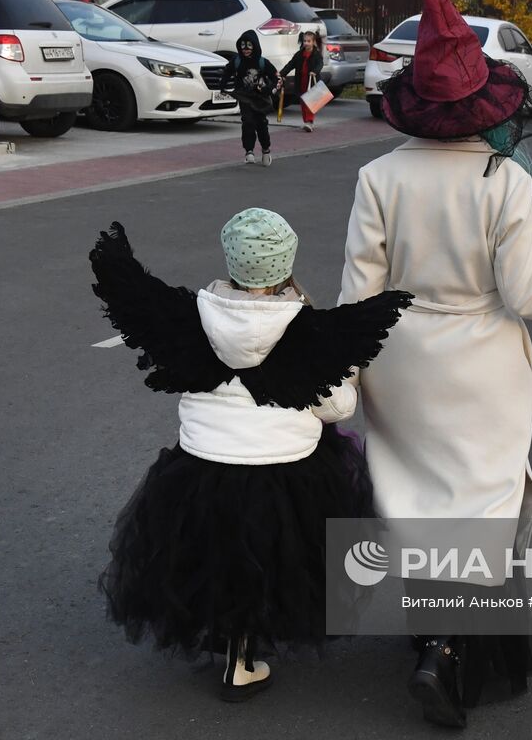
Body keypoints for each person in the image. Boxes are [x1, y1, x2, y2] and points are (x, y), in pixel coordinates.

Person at [338, 0, 532, 728]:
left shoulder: (377, 177)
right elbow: (530, 293)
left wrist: (336, 377)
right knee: (480, 509)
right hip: (480, 363)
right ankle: (446, 650)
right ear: (483, 101)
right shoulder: (503, 178)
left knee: (415, 500)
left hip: (399, 360)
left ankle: (427, 634)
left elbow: (355, 297)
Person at [91, 213, 412, 702]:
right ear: (286, 262)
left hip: (202, 467)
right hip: (288, 471)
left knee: (214, 547)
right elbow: (338, 406)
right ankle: (243, 657)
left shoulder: (191, 316)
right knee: (279, 546)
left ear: (232, 260)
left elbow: (136, 296)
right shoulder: (309, 330)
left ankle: (231, 642)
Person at [221, 30, 281, 166]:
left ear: (255, 46)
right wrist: (222, 85)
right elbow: (227, 71)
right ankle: (249, 151)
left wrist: (268, 89)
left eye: (249, 46)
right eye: (243, 46)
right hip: (244, 96)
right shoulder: (237, 61)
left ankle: (266, 149)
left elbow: (276, 78)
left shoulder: (262, 62)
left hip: (260, 98)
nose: (246, 49)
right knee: (247, 121)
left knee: (261, 123)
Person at [280, 31, 325, 132]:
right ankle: (306, 121)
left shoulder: (316, 54)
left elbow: (320, 64)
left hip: (312, 82)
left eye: (308, 41)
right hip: (301, 82)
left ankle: (309, 121)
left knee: (310, 102)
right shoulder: (299, 54)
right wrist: (282, 73)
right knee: (303, 102)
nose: (306, 43)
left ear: (313, 42)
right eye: (304, 41)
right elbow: (291, 64)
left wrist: (314, 71)